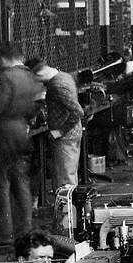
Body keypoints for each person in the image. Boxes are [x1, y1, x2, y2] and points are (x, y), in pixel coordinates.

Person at [0, 41, 42, 244]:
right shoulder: (31, 75)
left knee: (0, 180)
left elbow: (0, 105)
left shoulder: (6, 76)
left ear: (3, 57)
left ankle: (6, 231)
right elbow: (36, 105)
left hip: (6, 131)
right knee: (21, 179)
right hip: (24, 131)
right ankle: (26, 227)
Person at [28, 57, 84, 198]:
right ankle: (70, 215)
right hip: (73, 133)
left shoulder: (56, 85)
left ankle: (67, 218)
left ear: (38, 74)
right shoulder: (64, 75)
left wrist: (59, 131)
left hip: (65, 137)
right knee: (70, 177)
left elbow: (78, 111)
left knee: (64, 182)